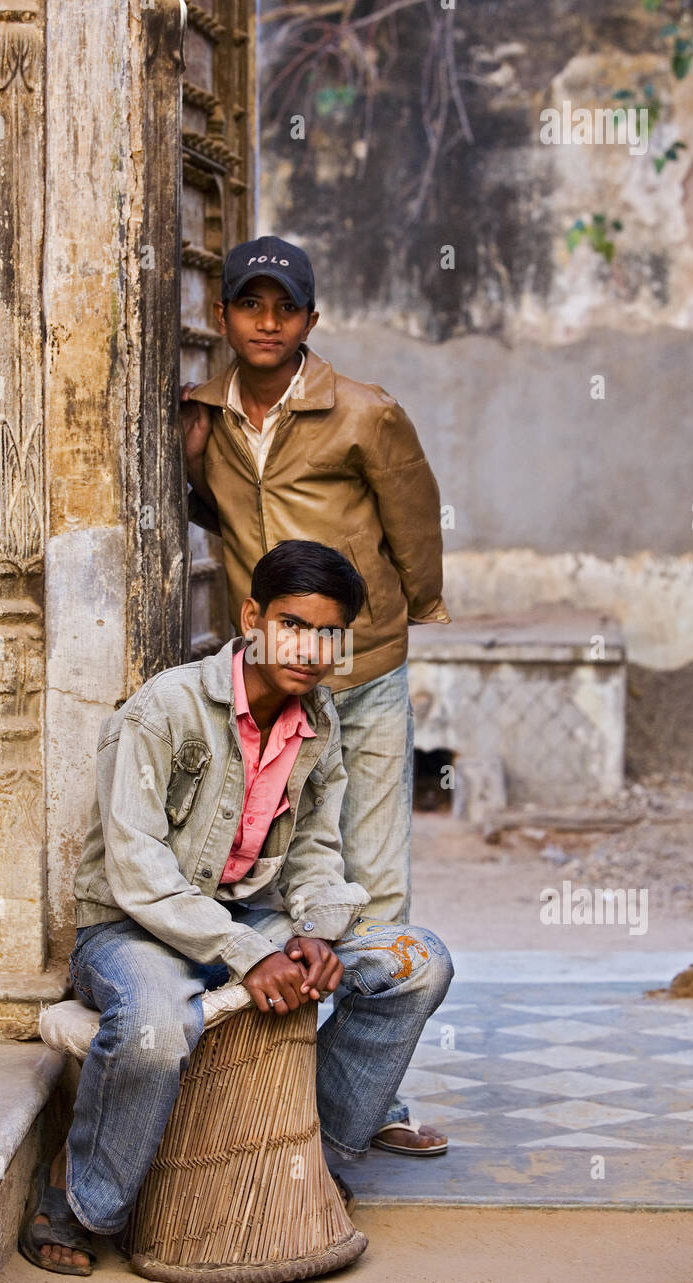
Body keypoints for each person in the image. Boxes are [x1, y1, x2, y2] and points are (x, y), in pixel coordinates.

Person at [19, 541, 453, 1274]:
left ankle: (312, 1157)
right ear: (252, 617)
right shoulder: (167, 708)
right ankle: (79, 1203)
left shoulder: (320, 721)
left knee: (416, 964)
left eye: (328, 633)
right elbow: (136, 870)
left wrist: (314, 932)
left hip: (254, 915)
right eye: (291, 624)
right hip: (135, 928)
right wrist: (250, 955)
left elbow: (317, 849)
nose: (309, 649)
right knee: (156, 1026)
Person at [181, 235, 452, 1155]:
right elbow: (197, 503)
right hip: (264, 682)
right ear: (222, 317)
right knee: (277, 865)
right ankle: (285, 1080)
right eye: (250, 305)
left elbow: (414, 520)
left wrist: (401, 617)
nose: (267, 321)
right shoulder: (202, 420)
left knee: (374, 881)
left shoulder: (365, 414)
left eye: (284, 307)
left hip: (360, 676)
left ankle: (376, 1095)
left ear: (310, 320)